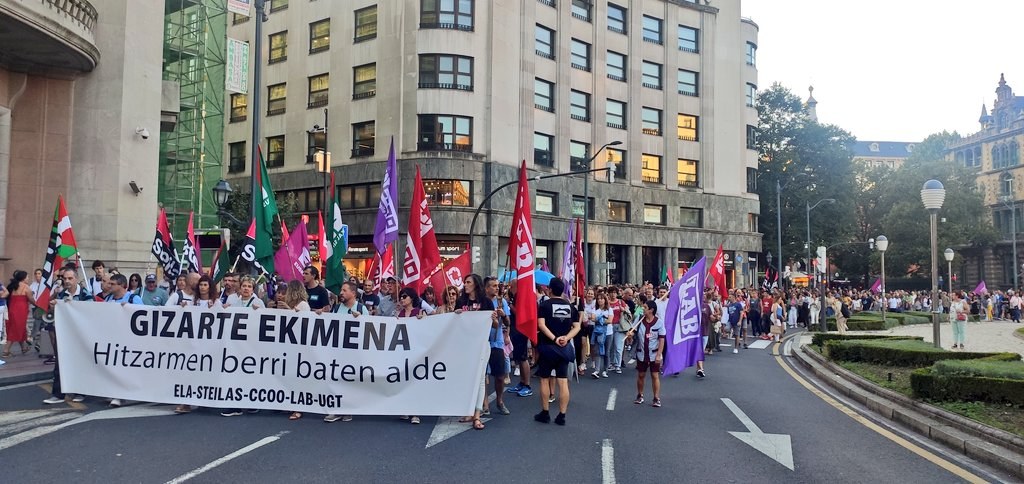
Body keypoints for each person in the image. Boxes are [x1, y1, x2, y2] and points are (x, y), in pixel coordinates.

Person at [533, 278, 581, 426]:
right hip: (563, 348)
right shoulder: (570, 306)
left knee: (544, 379)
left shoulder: (545, 305)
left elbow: (541, 325)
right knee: (563, 381)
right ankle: (562, 415)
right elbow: (577, 327)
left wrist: (554, 338)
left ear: (550, 289)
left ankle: (545, 412)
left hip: (547, 346)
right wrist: (565, 338)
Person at [42, 268, 91, 404]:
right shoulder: (61, 294)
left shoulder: (85, 294)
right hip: (64, 335)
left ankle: (81, 392)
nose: (67, 281)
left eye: (70, 278)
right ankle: (58, 394)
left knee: (80, 363)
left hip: (80, 335)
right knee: (60, 363)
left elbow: (91, 311)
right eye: (65, 278)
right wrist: (54, 307)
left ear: (76, 279)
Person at [455, 274, 495, 430]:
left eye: (468, 282)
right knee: (466, 379)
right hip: (465, 346)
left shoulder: (486, 302)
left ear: (476, 285)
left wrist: (494, 318)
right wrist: (456, 315)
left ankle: (477, 415)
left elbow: (495, 326)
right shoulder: (460, 302)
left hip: (481, 345)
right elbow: (454, 324)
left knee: (479, 380)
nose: (465, 284)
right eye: (465, 282)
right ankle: (469, 411)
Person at [221, 276, 264, 417]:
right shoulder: (234, 302)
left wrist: (258, 312)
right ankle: (236, 405)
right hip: (237, 344)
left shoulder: (258, 302)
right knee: (236, 373)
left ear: (253, 289)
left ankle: (252, 402)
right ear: (240, 288)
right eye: (244, 286)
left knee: (250, 373)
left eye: (249, 286)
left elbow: (264, 321)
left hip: (252, 344)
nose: (246, 288)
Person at [324, 281, 366, 423]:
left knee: (350, 381)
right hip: (337, 352)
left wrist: (361, 319)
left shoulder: (361, 308)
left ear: (353, 293)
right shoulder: (336, 309)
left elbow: (370, 330)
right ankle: (336, 409)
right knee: (336, 380)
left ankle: (348, 409)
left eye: (344, 290)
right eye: (341, 290)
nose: (341, 293)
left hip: (354, 353)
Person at [627, 300, 665, 407]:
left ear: (651, 310)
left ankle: (656, 398)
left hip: (654, 353)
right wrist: (629, 334)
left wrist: (659, 354)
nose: (643, 309)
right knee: (641, 374)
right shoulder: (639, 320)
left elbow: (662, 339)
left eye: (645, 307)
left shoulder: (659, 322)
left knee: (654, 375)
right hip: (641, 352)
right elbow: (632, 331)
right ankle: (640, 395)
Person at [481, 277, 510, 418]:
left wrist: (503, 315)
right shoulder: (481, 302)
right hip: (482, 341)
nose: (497, 288)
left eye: (497, 286)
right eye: (493, 286)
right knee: (483, 375)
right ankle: (485, 403)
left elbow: (508, 322)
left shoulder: (501, 302)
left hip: (497, 343)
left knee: (499, 376)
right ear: (486, 288)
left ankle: (499, 400)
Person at [2, 270, 32, 357]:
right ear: (23, 278)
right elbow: (31, 299)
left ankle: (23, 347)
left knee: (19, 328)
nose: (28, 278)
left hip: (12, 308)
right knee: (15, 329)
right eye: (27, 277)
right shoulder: (26, 287)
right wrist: (38, 305)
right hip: (21, 310)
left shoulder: (12, 285)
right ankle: (6, 350)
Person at [590, 292, 614, 378]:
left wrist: (599, 320)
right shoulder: (595, 309)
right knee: (597, 351)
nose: (600, 300)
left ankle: (605, 370)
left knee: (606, 352)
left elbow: (610, 321)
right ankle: (597, 370)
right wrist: (602, 319)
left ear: (605, 300)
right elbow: (592, 318)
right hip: (598, 333)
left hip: (608, 333)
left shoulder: (609, 309)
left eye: (602, 298)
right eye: (598, 299)